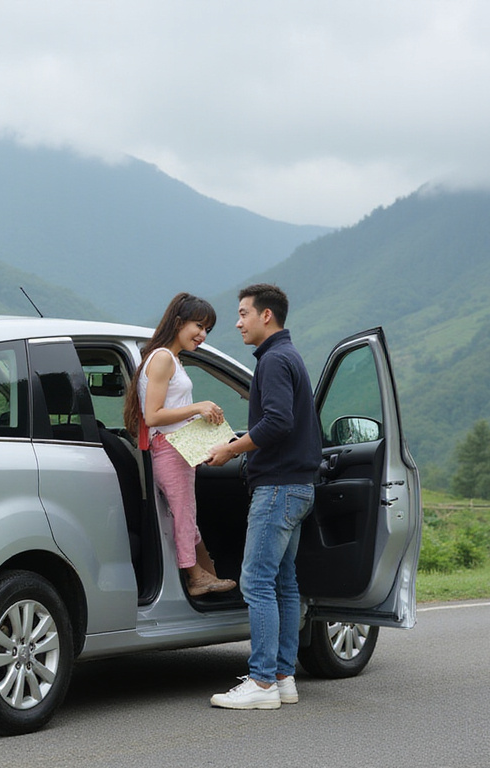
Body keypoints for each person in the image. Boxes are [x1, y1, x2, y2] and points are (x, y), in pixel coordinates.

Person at [205, 283, 322, 710]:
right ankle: (283, 676)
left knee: (255, 581)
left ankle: (262, 683)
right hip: (299, 486)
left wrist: (230, 449)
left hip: (276, 488)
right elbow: (282, 422)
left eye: (242, 314)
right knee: (284, 583)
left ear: (265, 316)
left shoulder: (273, 360)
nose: (237, 322)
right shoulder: (289, 356)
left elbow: (276, 422)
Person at [123, 293, 237, 597]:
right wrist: (197, 408)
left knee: (184, 514)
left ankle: (206, 573)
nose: (202, 335)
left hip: (179, 448)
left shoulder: (170, 358)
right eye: (198, 326)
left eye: (207, 330)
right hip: (170, 449)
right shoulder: (162, 358)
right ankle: (196, 578)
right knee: (184, 514)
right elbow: (154, 415)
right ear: (178, 322)